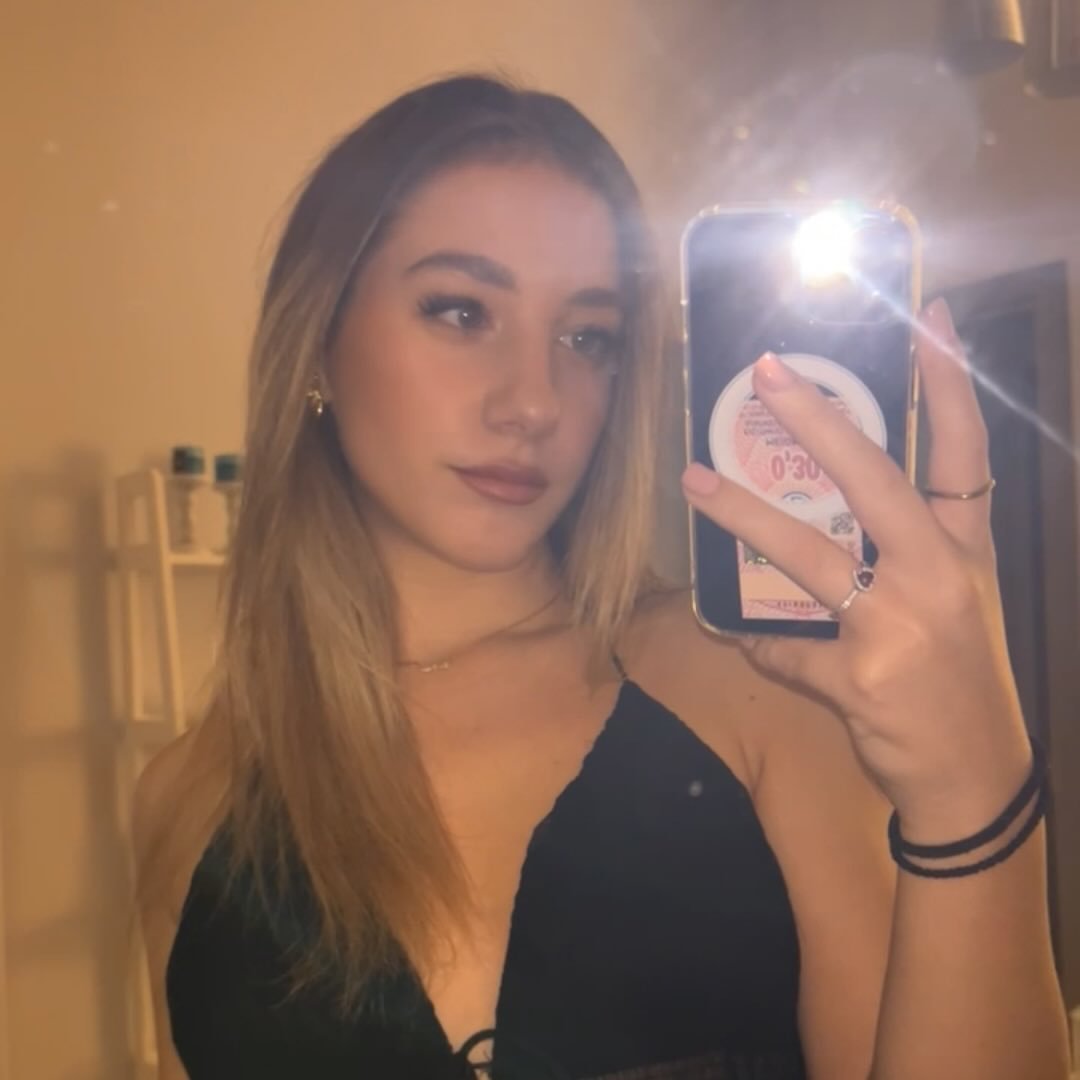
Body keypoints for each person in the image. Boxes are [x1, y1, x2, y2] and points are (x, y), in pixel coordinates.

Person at [132, 74, 1070, 1080]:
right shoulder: (189, 801)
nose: (534, 402)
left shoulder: (751, 687)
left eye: (588, 338)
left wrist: (976, 787)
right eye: (461, 311)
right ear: (318, 339)